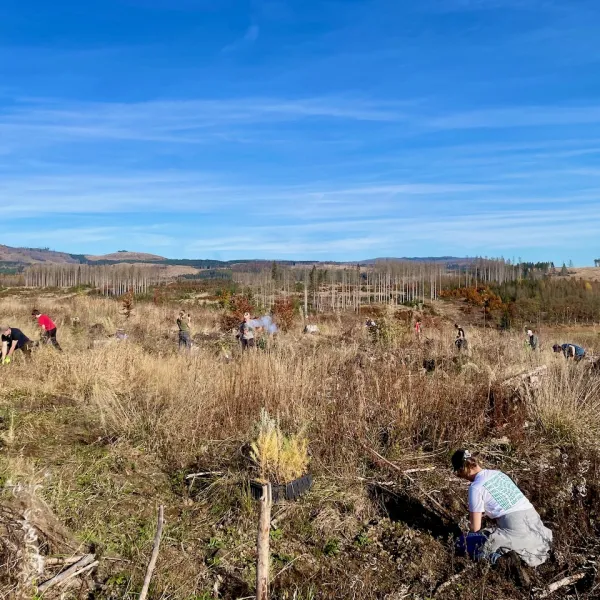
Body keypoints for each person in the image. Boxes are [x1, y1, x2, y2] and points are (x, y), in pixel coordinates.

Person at [451, 449, 552, 568]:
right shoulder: (499, 474)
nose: (460, 477)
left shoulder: (476, 487)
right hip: (537, 529)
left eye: (458, 473)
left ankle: (499, 559)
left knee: (461, 544)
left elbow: (475, 528)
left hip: (515, 529)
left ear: (463, 469)